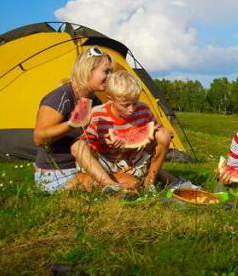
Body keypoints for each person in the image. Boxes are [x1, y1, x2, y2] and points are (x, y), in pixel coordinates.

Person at [69, 70, 178, 192]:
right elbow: (88, 144)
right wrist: (103, 142)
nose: (131, 109)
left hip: (133, 162)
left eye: (135, 103)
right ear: (110, 99)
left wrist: (158, 135)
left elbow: (158, 132)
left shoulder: (144, 110)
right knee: (78, 146)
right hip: (106, 163)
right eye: (125, 105)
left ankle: (149, 183)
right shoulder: (98, 113)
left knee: (163, 135)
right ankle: (110, 184)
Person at [32, 46, 114, 193]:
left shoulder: (94, 101)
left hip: (83, 166)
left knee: (129, 180)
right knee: (105, 183)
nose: (110, 76)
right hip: (55, 173)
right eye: (106, 71)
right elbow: (39, 138)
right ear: (89, 70)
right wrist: (73, 124)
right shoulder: (62, 96)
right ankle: (113, 187)